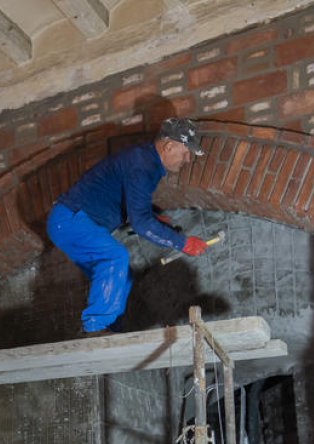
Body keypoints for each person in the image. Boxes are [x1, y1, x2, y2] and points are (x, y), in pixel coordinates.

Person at [48, 117, 211, 335]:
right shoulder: (142, 163)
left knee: (121, 275)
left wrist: (153, 217)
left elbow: (131, 206)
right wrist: (182, 243)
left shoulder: (144, 162)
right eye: (186, 152)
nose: (188, 159)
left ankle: (112, 329)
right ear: (169, 145)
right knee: (114, 257)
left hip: (73, 222)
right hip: (70, 219)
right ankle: (95, 329)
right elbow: (141, 223)